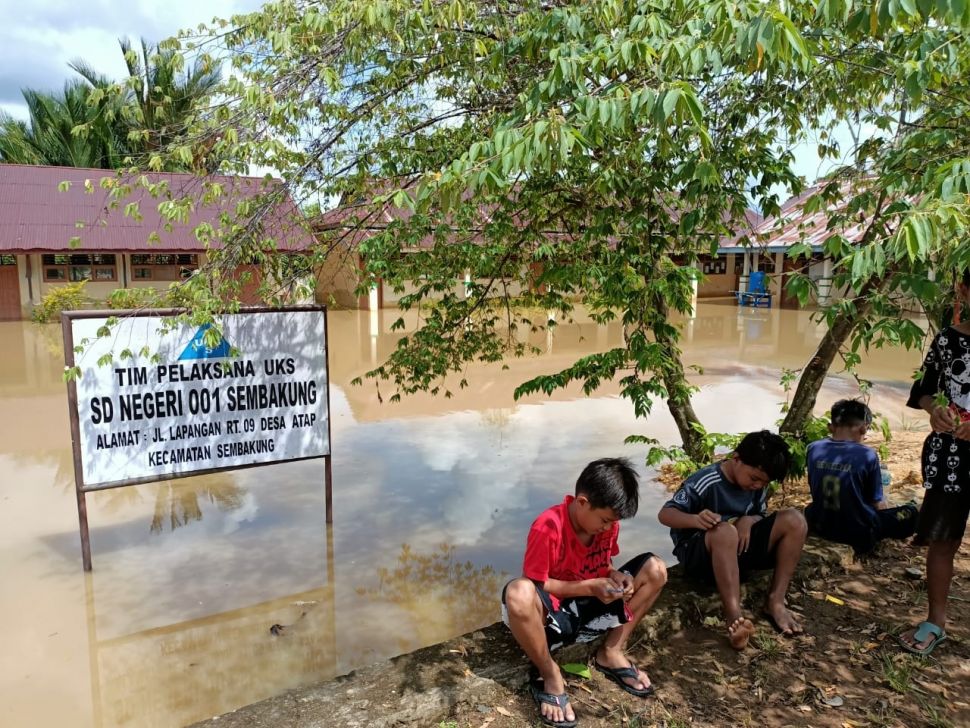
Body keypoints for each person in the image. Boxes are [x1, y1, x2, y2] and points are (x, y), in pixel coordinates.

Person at [501, 458, 667, 728]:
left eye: (611, 522)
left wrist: (616, 577)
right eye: (604, 520)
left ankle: (612, 651)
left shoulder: (607, 526)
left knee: (656, 569)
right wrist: (588, 587)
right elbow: (537, 583)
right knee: (519, 592)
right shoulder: (548, 527)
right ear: (582, 503)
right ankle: (549, 672)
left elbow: (603, 564)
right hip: (553, 619)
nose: (607, 528)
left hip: (589, 608)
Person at [658, 430, 806, 650]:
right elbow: (665, 514)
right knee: (725, 532)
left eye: (763, 483)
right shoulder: (706, 480)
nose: (757, 486)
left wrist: (749, 519)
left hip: (739, 552)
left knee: (795, 519)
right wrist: (695, 519)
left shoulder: (758, 486)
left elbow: (761, 515)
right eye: (754, 478)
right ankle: (734, 618)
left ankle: (775, 601)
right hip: (701, 557)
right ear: (736, 459)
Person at [898, 269, 970, 656]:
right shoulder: (947, 341)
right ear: (964, 290)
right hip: (950, 456)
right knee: (943, 538)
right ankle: (936, 622)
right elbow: (924, 391)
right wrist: (935, 410)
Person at [805, 399, 918, 553]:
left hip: (819, 525)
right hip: (857, 532)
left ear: (831, 427)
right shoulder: (867, 454)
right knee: (909, 512)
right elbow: (876, 503)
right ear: (864, 428)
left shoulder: (813, 448)